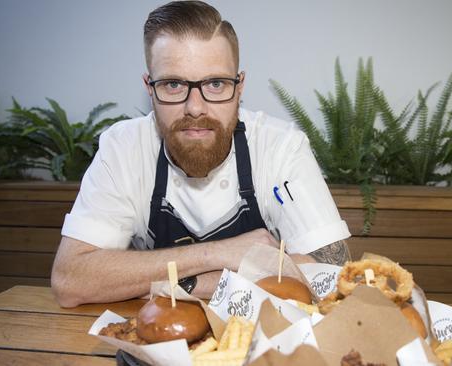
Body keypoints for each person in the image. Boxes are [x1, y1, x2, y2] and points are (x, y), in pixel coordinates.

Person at [51, 0, 351, 307]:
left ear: (240, 86)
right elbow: (70, 280)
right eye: (173, 84)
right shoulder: (124, 148)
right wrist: (221, 253)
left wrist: (181, 284)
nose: (195, 107)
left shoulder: (281, 148)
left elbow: (332, 271)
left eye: (216, 83)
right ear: (150, 89)